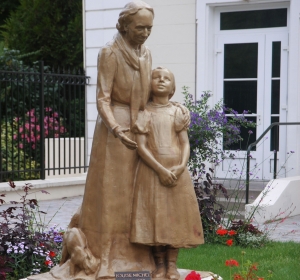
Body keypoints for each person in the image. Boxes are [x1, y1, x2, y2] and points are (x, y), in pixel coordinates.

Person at [130, 67, 204, 280]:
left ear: (173, 87)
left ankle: (172, 265)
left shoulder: (178, 112)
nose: (161, 81)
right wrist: (160, 170)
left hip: (177, 174)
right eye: (156, 78)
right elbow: (141, 147)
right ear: (149, 84)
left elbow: (185, 143)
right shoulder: (144, 113)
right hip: (151, 173)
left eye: (166, 79)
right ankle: (160, 265)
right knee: (156, 218)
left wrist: (180, 167)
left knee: (174, 219)